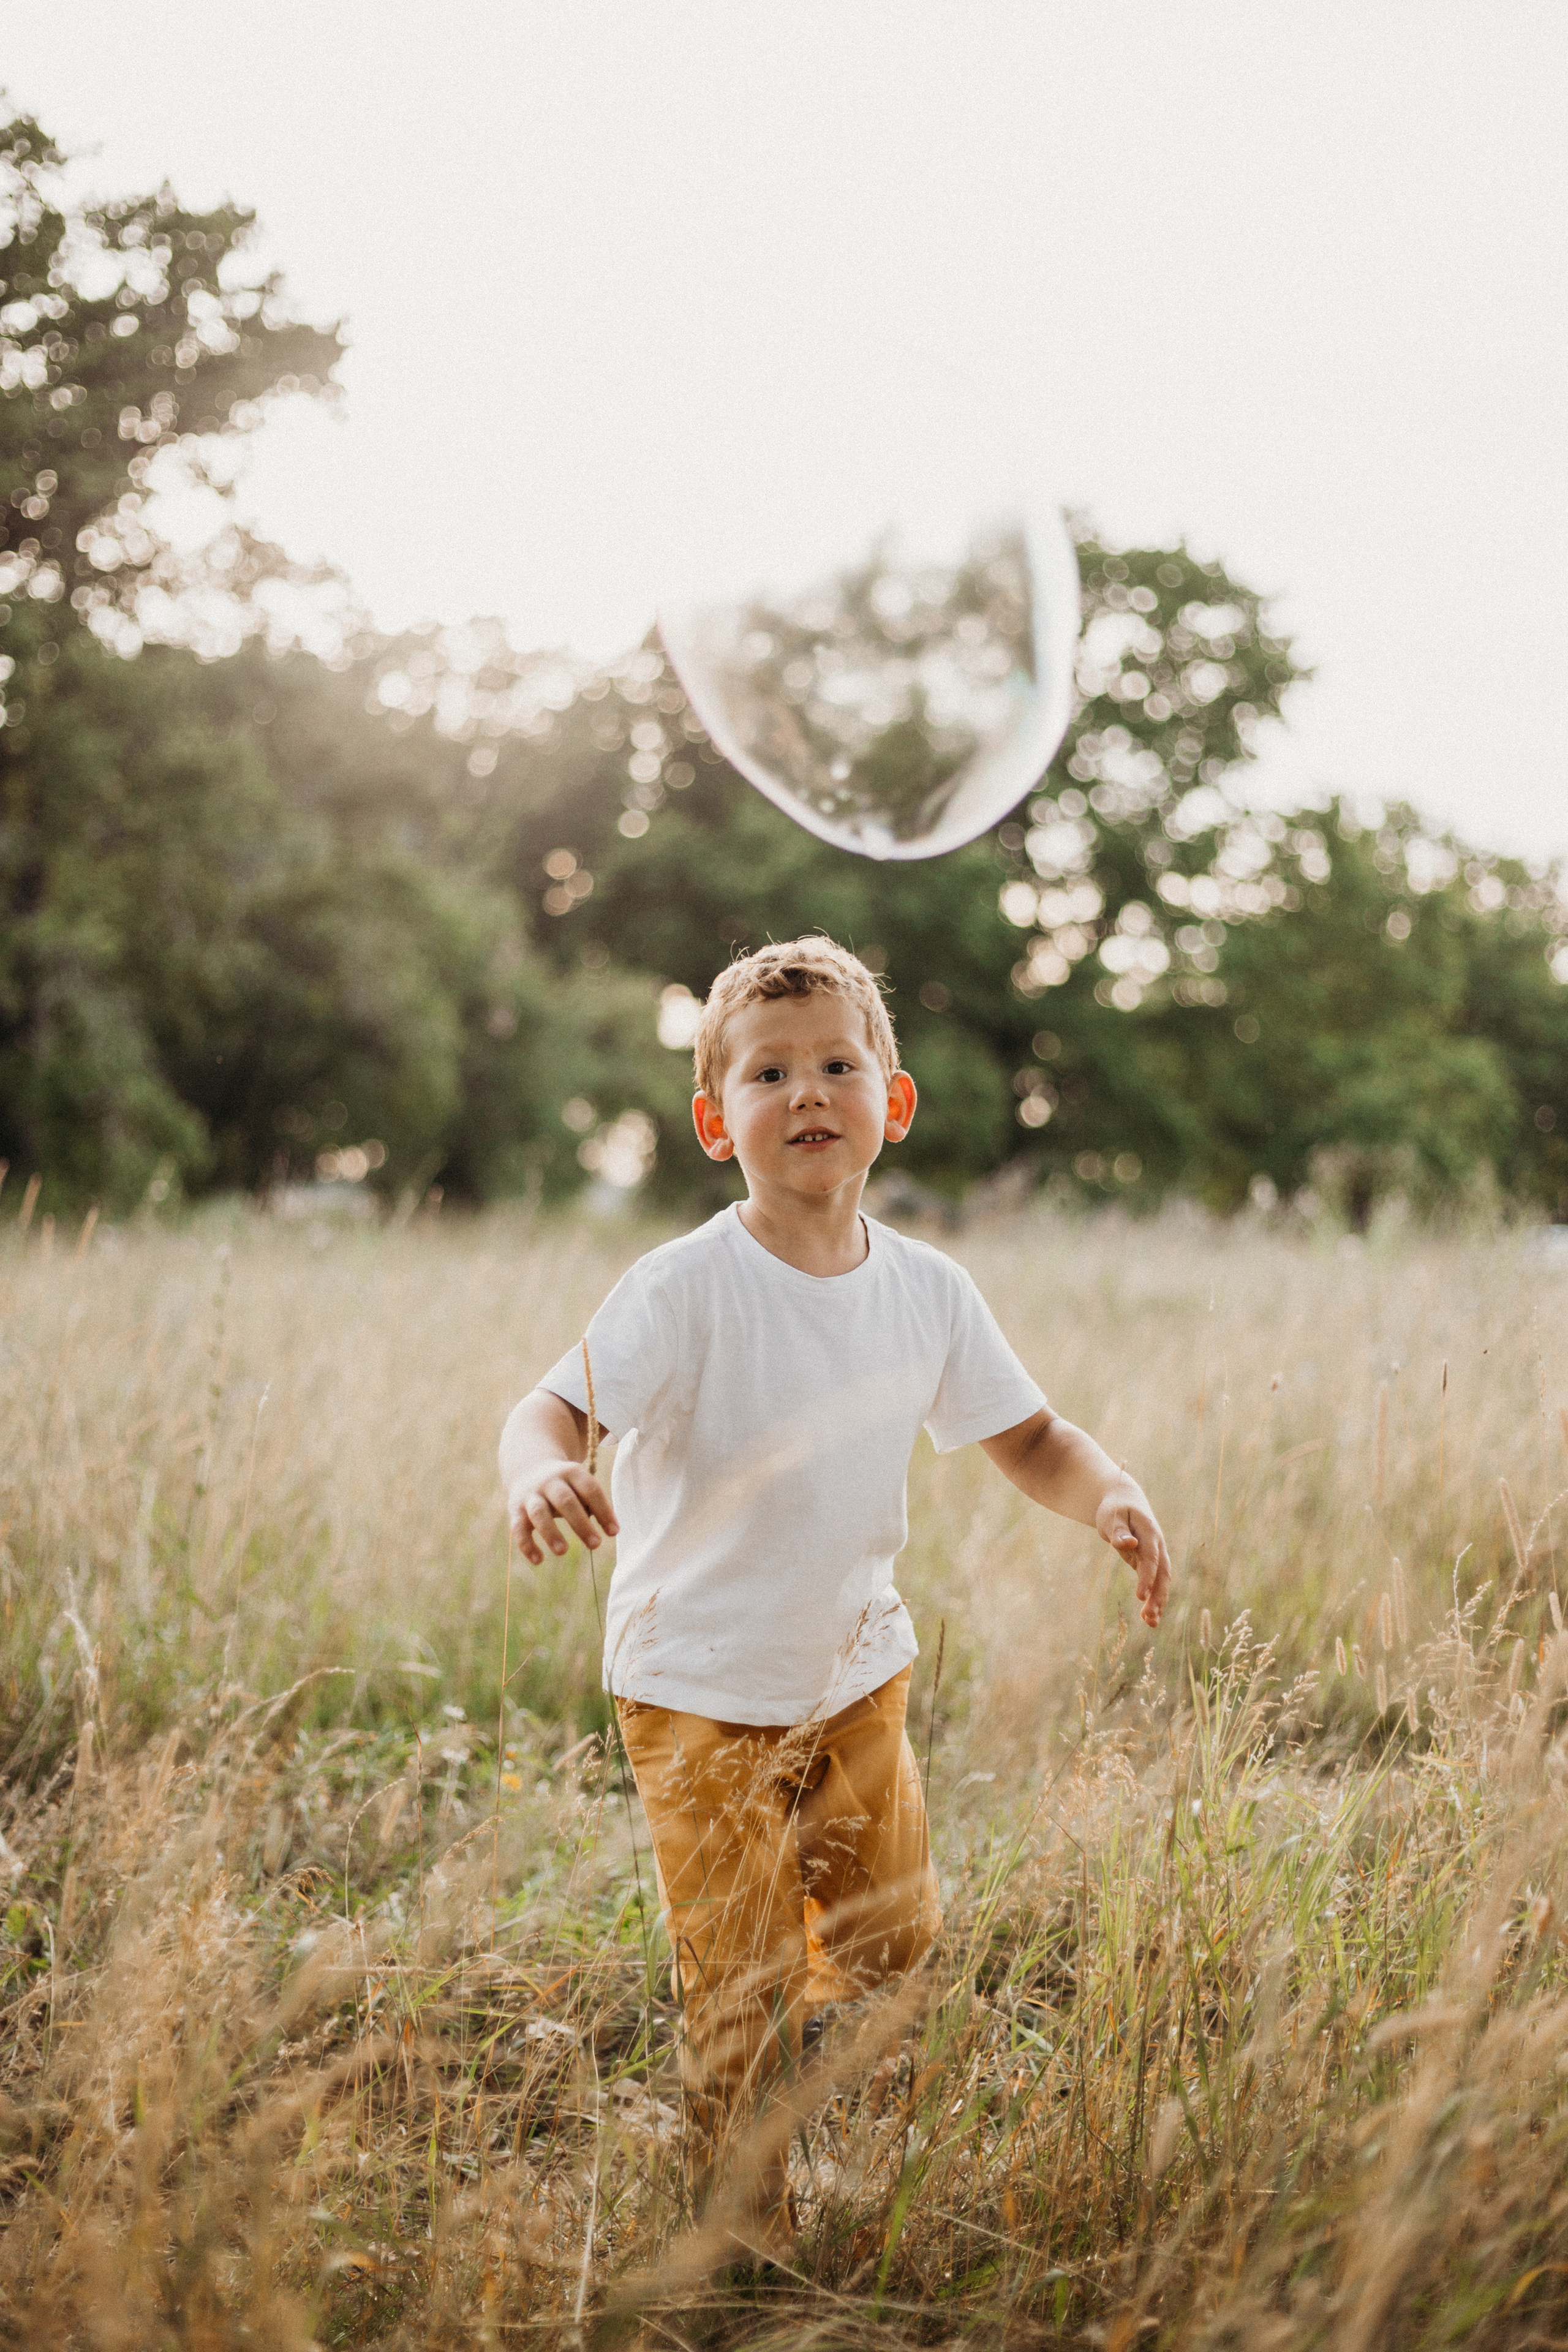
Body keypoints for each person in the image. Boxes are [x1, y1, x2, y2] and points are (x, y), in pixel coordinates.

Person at [498, 936, 1172, 2258]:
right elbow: (552, 1406)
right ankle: (743, 2236)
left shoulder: (928, 1290)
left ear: (891, 1101)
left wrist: (1109, 1493)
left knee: (892, 1943)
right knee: (740, 1981)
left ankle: (816, 2069)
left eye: (835, 1066)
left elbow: (1030, 1436)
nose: (805, 1091)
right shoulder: (685, 1287)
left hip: (856, 1676)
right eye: (766, 1074)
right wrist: (536, 1470)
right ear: (715, 1122)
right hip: (695, 1689)